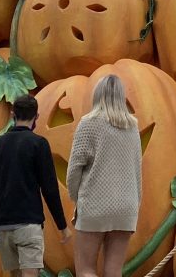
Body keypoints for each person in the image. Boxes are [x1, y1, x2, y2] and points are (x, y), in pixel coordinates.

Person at [0, 94, 71, 277]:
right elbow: (49, 189)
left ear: (12, 115)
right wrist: (62, 226)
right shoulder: (38, 145)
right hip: (28, 224)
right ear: (37, 117)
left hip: (2, 226)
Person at [67, 75, 142, 277]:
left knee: (86, 269)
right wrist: (135, 204)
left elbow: (74, 168)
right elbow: (137, 169)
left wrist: (76, 198)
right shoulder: (133, 127)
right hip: (127, 206)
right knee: (113, 271)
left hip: (95, 204)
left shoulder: (89, 123)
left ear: (97, 94)